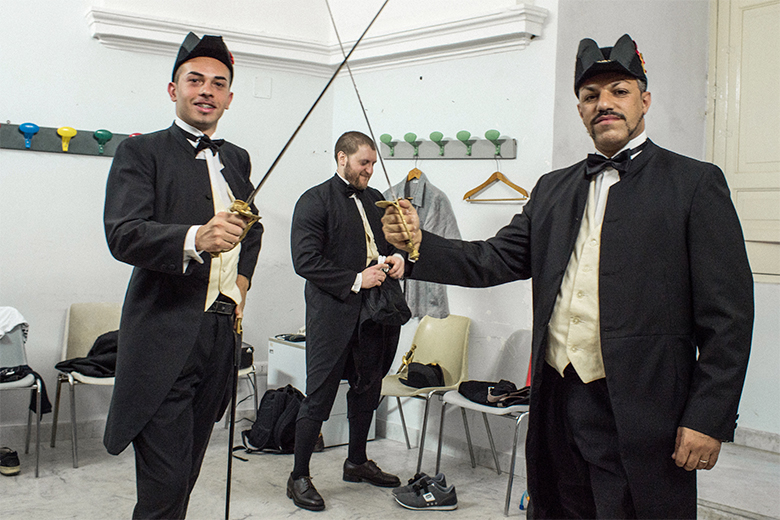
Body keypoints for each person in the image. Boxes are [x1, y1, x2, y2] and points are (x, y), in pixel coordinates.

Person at [382, 34, 753, 519]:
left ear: (644, 100)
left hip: (646, 409)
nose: (605, 104)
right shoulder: (552, 189)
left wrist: (708, 417)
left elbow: (728, 318)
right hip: (558, 400)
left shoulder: (695, 183)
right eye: (591, 96)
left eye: (619, 91)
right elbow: (491, 259)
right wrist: (418, 244)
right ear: (580, 110)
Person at [103, 32, 263, 519]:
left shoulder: (236, 158)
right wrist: (196, 237)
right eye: (195, 80)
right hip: (163, 334)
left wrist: (241, 285)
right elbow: (123, 234)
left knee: (187, 473)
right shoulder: (140, 153)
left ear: (229, 98)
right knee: (165, 483)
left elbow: (252, 229)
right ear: (174, 90)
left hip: (220, 334)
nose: (207, 90)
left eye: (219, 84)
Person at [287, 131, 404, 511]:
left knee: (368, 388)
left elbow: (391, 244)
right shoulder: (313, 200)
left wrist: (398, 258)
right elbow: (305, 260)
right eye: (363, 163)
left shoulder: (375, 198)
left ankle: (356, 462)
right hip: (332, 315)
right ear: (342, 158)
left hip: (376, 313)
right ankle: (298, 476)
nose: (369, 170)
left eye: (372, 163)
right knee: (319, 395)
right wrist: (356, 279)